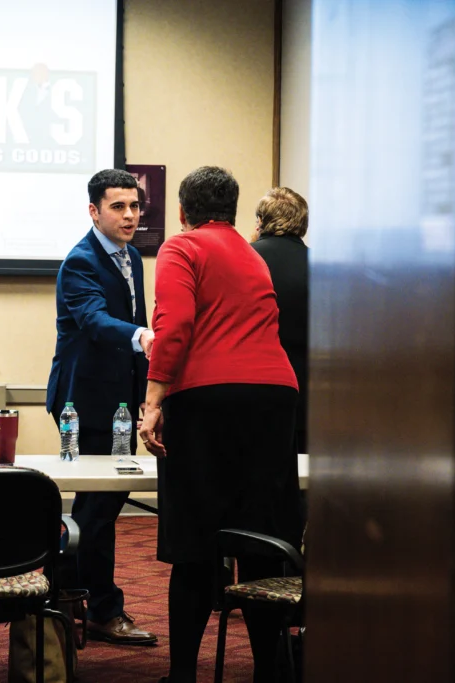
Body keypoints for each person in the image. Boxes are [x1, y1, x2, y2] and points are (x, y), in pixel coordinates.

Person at [139, 167, 304, 683]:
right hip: (275, 397)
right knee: (260, 540)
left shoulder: (181, 247)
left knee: (195, 544)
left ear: (182, 212)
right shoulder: (253, 257)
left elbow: (174, 325)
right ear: (233, 211)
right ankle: (268, 671)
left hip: (208, 398)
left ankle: (183, 674)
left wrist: (153, 400)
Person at [45, 168, 157, 646]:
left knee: (96, 506)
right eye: (119, 206)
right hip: (83, 402)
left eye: (135, 206)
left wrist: (145, 394)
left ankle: (65, 593)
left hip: (118, 401)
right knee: (99, 507)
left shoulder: (132, 256)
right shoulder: (81, 261)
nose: (130, 216)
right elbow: (94, 321)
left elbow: (137, 323)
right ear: (94, 211)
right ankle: (99, 607)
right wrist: (142, 336)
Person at [251, 187, 310, 454]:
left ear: (260, 221)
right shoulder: (324, 266)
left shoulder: (244, 259)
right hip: (310, 396)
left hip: (255, 390)